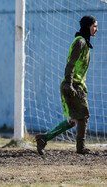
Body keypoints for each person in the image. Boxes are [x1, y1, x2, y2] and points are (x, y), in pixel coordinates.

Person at [35, 15, 98, 155]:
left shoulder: (84, 43)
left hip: (77, 85)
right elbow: (70, 63)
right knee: (83, 116)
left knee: (73, 120)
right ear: (87, 27)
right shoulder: (80, 42)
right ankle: (80, 148)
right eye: (94, 26)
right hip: (72, 85)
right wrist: (69, 83)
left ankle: (43, 138)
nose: (96, 29)